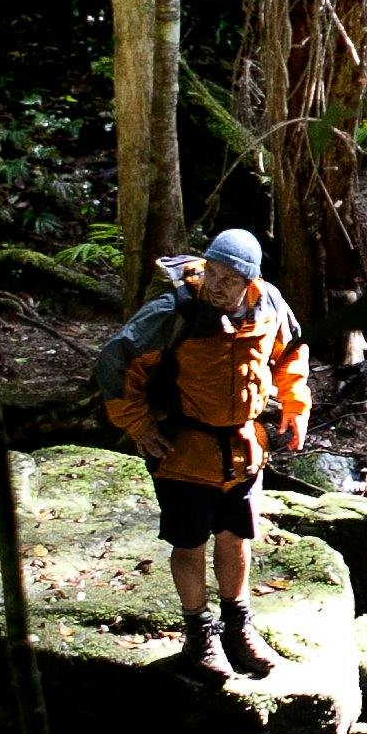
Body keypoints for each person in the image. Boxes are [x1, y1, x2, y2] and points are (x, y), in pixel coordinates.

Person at [93, 228, 311, 677]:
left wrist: (295, 404)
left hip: (243, 446)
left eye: (230, 278)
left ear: (251, 280)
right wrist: (138, 424)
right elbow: (117, 362)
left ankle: (239, 627)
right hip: (183, 449)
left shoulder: (268, 305)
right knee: (189, 542)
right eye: (213, 272)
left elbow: (289, 353)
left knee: (235, 536)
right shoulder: (174, 312)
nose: (216, 285)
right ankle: (199, 634)